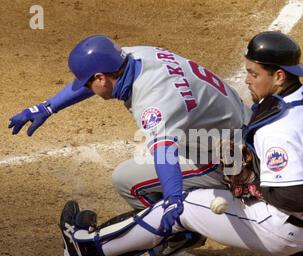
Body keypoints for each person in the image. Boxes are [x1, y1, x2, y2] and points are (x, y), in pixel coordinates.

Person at [58, 31, 303, 256]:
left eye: (254, 73)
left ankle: (86, 250)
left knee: (180, 206)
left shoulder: (278, 131)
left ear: (279, 76)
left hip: (284, 229)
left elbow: (297, 199)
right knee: (205, 189)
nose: (246, 80)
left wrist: (255, 189)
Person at [9, 35, 252, 244]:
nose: (86, 87)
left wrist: (172, 200)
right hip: (241, 127)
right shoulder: (134, 56)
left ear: (101, 78)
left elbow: (165, 153)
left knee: (127, 181)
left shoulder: (152, 102)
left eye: (88, 83)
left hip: (230, 160)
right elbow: (94, 76)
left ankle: (181, 233)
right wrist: (48, 107)